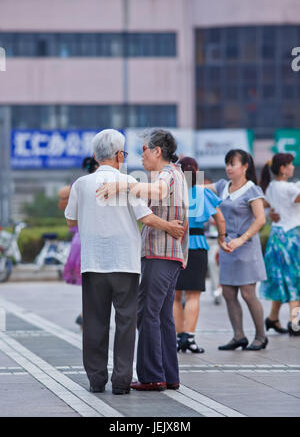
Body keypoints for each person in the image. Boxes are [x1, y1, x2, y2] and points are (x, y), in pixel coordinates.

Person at [65, 129, 184, 395]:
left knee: (94, 323)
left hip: (93, 263)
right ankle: (121, 382)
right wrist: (170, 227)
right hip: (125, 264)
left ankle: (96, 380)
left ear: (95, 156)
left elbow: (70, 220)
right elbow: (146, 218)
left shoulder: (81, 184)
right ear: (119, 155)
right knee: (126, 323)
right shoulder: (129, 182)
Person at [97, 129, 189, 391]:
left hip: (160, 253)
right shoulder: (175, 174)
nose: (141, 156)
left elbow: (158, 193)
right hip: (169, 255)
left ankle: (152, 376)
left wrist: (123, 184)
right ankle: (169, 375)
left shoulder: (167, 174)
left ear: (157, 150)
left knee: (147, 313)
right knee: (162, 316)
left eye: (144, 150)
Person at [207, 149, 268, 351]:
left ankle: (261, 337)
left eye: (232, 164)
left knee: (248, 293)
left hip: (246, 247)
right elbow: (199, 187)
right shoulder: (223, 186)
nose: (228, 168)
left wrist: (241, 240)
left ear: (245, 167)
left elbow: (260, 220)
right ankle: (238, 336)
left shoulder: (252, 190)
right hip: (227, 247)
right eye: (227, 164)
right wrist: (180, 172)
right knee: (228, 293)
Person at [173, 157, 231, 354]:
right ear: (196, 171)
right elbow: (220, 219)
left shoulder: (171, 191)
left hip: (175, 245)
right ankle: (189, 338)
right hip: (197, 244)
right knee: (193, 295)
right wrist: (222, 239)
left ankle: (178, 338)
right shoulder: (203, 192)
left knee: (174, 295)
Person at [259, 153, 300, 336]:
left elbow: (266, 206)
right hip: (291, 238)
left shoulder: (270, 187)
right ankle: (295, 321)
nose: (293, 167)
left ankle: (273, 318)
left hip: (276, 238)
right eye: (290, 165)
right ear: (283, 168)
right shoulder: (289, 188)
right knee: (294, 279)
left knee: (281, 279)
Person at [59, 157, 99, 327]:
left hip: (78, 240)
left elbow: (62, 198)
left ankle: (86, 314)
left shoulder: (78, 184)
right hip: (91, 239)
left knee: (90, 283)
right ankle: (87, 315)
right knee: (96, 282)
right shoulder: (100, 183)